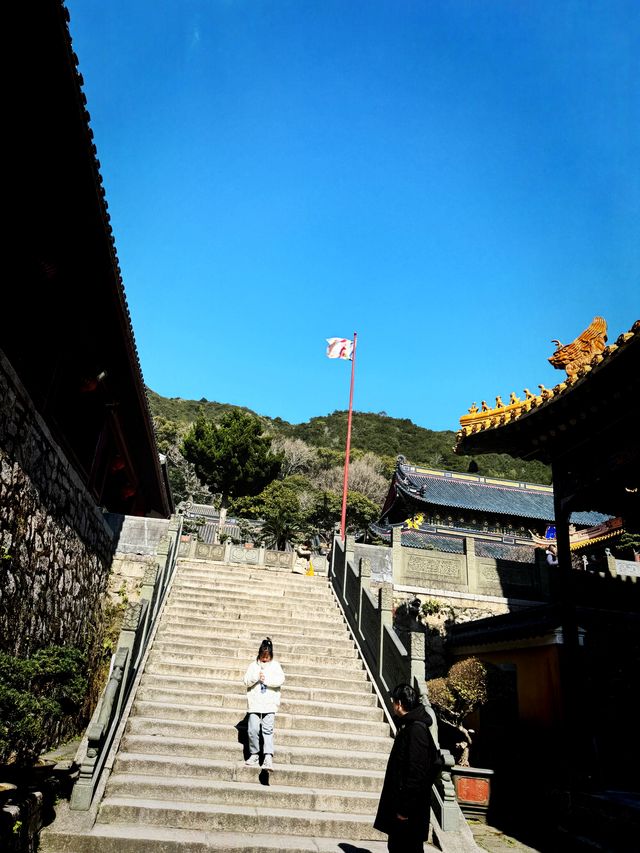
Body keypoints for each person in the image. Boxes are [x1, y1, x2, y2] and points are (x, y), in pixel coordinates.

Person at [374, 683, 438, 853]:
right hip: (404, 806)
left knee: (405, 848)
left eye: (393, 702)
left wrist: (404, 809)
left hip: (409, 811)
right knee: (397, 847)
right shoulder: (409, 726)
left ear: (400, 703)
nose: (392, 705)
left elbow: (416, 773)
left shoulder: (416, 730)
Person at [242, 637, 285, 771]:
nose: (265, 659)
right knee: (253, 729)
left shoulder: (275, 665)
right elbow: (246, 681)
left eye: (267, 656)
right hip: (255, 703)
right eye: (263, 656)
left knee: (267, 730)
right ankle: (254, 754)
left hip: (269, 704)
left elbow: (280, 680)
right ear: (260, 654)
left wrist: (266, 680)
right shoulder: (253, 665)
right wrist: (256, 678)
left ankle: (267, 756)